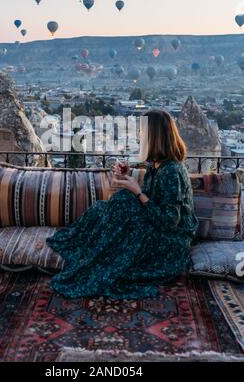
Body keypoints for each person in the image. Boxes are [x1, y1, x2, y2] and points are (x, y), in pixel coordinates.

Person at [46, 109, 198, 300]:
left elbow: (169, 221)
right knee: (103, 207)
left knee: (124, 200)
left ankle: (98, 258)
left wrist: (137, 191)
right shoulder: (157, 165)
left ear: (155, 136)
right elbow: (152, 201)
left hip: (170, 242)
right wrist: (128, 176)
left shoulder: (172, 171)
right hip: (157, 227)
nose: (139, 136)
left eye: (142, 132)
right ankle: (94, 252)